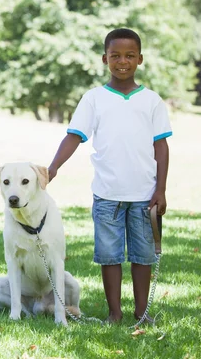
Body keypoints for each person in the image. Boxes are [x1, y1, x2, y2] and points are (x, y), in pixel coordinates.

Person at [47, 28, 171, 324]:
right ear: (105, 59)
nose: (122, 61)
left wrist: (161, 190)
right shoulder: (94, 99)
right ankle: (115, 313)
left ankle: (142, 312)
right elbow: (74, 137)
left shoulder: (152, 101)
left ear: (140, 59)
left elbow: (161, 148)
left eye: (129, 55)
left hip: (144, 196)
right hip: (107, 196)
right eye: (115, 55)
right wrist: (52, 169)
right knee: (110, 256)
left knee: (143, 257)